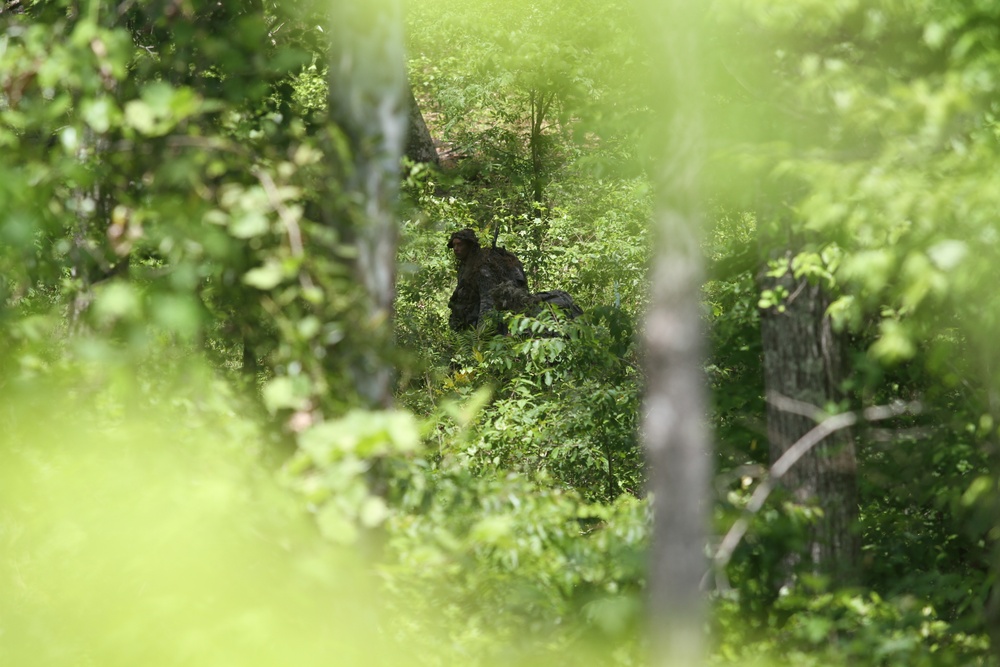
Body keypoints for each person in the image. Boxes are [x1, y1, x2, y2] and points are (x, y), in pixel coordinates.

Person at [446, 228, 527, 331]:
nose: (456, 248)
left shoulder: (482, 269)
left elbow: (488, 301)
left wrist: (482, 332)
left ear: (469, 246)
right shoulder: (465, 266)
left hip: (491, 320)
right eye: (454, 245)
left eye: (460, 245)